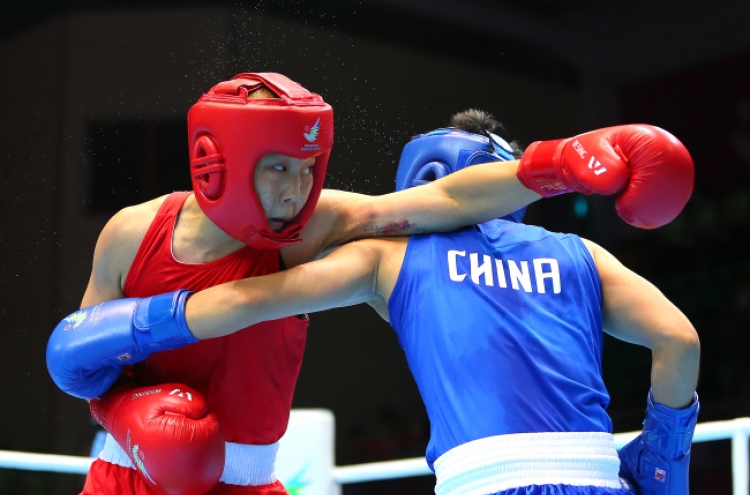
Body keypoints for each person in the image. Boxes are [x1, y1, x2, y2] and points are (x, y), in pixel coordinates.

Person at [47, 73, 694, 495]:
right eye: (278, 169)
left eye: (307, 168)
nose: (298, 189)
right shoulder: (133, 233)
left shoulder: (318, 231)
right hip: (123, 475)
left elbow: (436, 199)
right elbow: (83, 368)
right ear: (218, 162)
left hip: (254, 483)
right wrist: (130, 416)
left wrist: (555, 166)